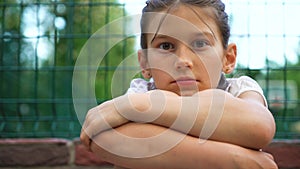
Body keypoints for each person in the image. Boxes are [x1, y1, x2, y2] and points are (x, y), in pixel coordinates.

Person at [80, 0, 278, 168]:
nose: (183, 60)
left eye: (200, 43)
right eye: (166, 46)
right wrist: (234, 160)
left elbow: (260, 127)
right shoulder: (142, 91)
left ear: (228, 58)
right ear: (145, 62)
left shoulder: (239, 90)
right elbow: (102, 139)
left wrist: (145, 106)